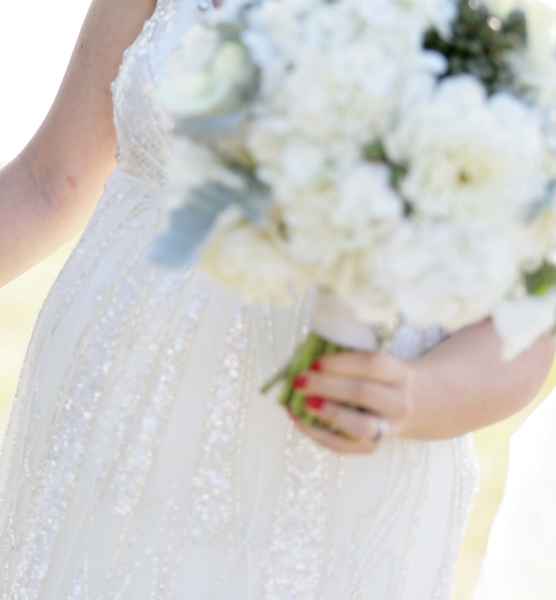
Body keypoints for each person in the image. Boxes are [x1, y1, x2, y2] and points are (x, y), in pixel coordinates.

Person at [0, 1, 554, 598]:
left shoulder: (490, 22)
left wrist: (414, 398)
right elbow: (48, 181)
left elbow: (526, 323)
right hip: (102, 433)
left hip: (317, 499)